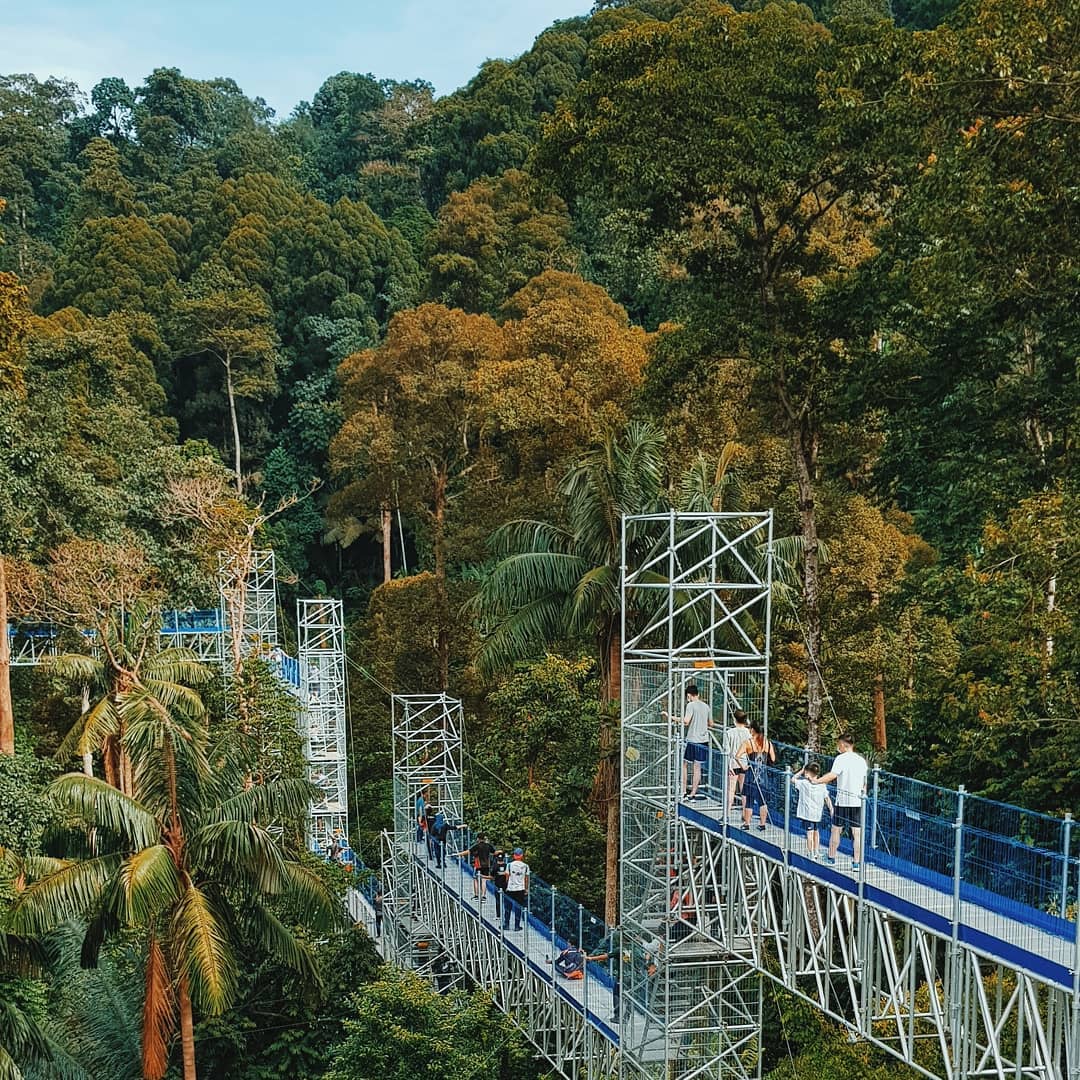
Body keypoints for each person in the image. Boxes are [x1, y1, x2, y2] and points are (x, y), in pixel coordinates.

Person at [813, 731, 869, 869]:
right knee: (857, 833)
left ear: (844, 745)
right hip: (857, 801)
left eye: (839, 744)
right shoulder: (861, 761)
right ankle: (856, 862)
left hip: (842, 801)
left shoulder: (841, 759)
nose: (838, 747)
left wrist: (817, 781)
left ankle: (831, 857)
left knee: (836, 829)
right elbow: (864, 782)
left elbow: (832, 775)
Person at [662, 684, 713, 800]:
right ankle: (693, 793)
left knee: (684, 764)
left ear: (689, 695)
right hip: (704, 740)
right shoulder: (706, 706)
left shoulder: (691, 705)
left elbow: (686, 721)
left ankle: (684, 790)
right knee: (697, 767)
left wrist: (670, 717)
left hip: (693, 739)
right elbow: (711, 723)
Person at [792, 761, 833, 859]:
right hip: (817, 814)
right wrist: (831, 809)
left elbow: (793, 779)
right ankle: (816, 851)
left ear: (808, 773)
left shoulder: (804, 783)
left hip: (807, 814)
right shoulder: (822, 785)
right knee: (816, 832)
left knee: (809, 833)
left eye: (806, 772)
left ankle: (810, 852)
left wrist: (801, 771)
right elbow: (827, 798)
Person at [741, 722, 775, 831]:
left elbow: (737, 755)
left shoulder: (748, 743)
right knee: (762, 801)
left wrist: (744, 766)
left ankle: (747, 824)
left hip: (751, 776)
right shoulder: (768, 744)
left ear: (752, 730)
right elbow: (773, 759)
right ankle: (762, 824)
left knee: (749, 801)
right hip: (763, 777)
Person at [723, 709, 751, 815]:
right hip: (744, 764)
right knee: (744, 790)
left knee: (730, 790)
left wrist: (728, 765)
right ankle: (745, 813)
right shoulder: (748, 733)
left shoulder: (729, 733)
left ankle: (727, 813)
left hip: (733, 763)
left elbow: (726, 750)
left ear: (734, 720)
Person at [457, 831, 495, 900]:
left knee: (476, 879)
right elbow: (494, 852)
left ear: (478, 839)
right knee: (484, 880)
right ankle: (483, 896)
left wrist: (459, 854)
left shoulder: (477, 846)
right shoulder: (488, 846)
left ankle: (476, 895)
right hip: (487, 866)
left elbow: (468, 851)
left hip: (478, 865)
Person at [502, 847, 529, 931]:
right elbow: (526, 878)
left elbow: (507, 876)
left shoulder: (509, 865)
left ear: (514, 855)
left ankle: (506, 924)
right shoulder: (525, 866)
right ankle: (517, 926)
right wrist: (526, 889)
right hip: (520, 889)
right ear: (521, 855)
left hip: (510, 888)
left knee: (507, 907)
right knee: (518, 907)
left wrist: (507, 885)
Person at [491, 848, 508, 919]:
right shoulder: (507, 865)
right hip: (505, 885)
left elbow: (492, 876)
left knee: (498, 901)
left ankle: (498, 915)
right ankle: (506, 915)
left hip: (497, 885)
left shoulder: (495, 866)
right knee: (506, 901)